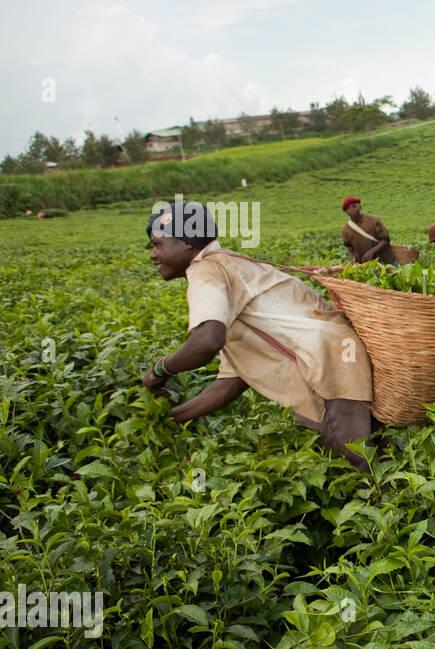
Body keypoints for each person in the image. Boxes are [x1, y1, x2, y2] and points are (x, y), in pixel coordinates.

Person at [141, 199, 378, 472]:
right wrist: (173, 418)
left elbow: (207, 341)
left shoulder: (207, 269)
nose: (152, 255)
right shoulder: (230, 264)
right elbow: (232, 380)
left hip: (330, 360)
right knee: (362, 452)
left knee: (360, 465)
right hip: (337, 355)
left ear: (185, 242)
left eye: (157, 244)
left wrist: (160, 369)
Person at [340, 197, 396, 265]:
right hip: (364, 265)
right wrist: (353, 264)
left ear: (360, 207)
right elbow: (350, 250)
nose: (352, 210)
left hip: (385, 260)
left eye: (354, 206)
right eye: (349, 208)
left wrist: (371, 252)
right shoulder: (345, 230)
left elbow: (385, 240)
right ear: (346, 211)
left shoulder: (373, 220)